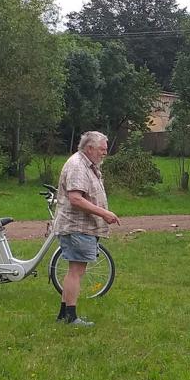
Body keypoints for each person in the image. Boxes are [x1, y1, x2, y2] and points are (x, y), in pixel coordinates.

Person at [55, 131, 119, 326]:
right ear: (89, 148)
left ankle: (64, 315)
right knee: (76, 271)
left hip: (81, 227)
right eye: (102, 149)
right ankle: (71, 317)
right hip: (77, 227)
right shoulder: (77, 165)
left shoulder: (87, 165)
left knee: (74, 271)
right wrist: (104, 213)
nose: (105, 153)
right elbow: (75, 199)